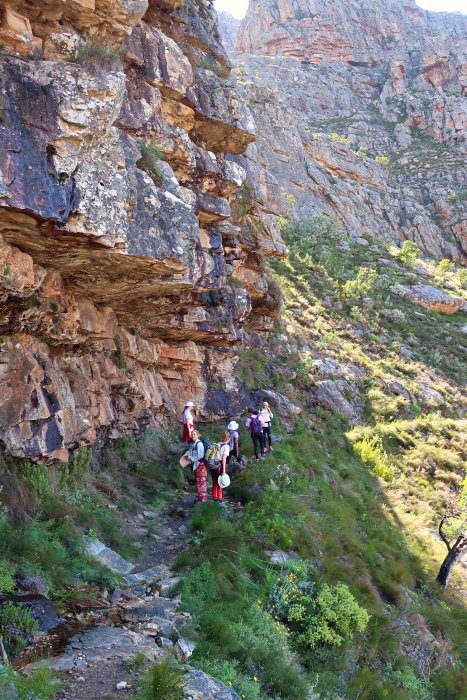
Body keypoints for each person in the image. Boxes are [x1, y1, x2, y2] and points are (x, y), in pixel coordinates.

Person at [187, 430, 207, 503]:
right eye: (192, 434)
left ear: (198, 435)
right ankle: (200, 499)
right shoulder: (194, 444)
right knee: (199, 483)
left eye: (194, 434)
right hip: (197, 465)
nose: (193, 436)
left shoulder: (199, 444)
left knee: (201, 483)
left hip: (200, 465)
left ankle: (202, 500)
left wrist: (191, 458)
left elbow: (200, 455)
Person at [211, 431, 230, 505]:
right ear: (228, 438)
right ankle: (220, 499)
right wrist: (224, 470)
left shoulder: (217, 444)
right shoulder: (226, 447)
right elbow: (224, 458)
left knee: (214, 482)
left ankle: (214, 498)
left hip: (213, 465)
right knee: (220, 482)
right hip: (220, 466)